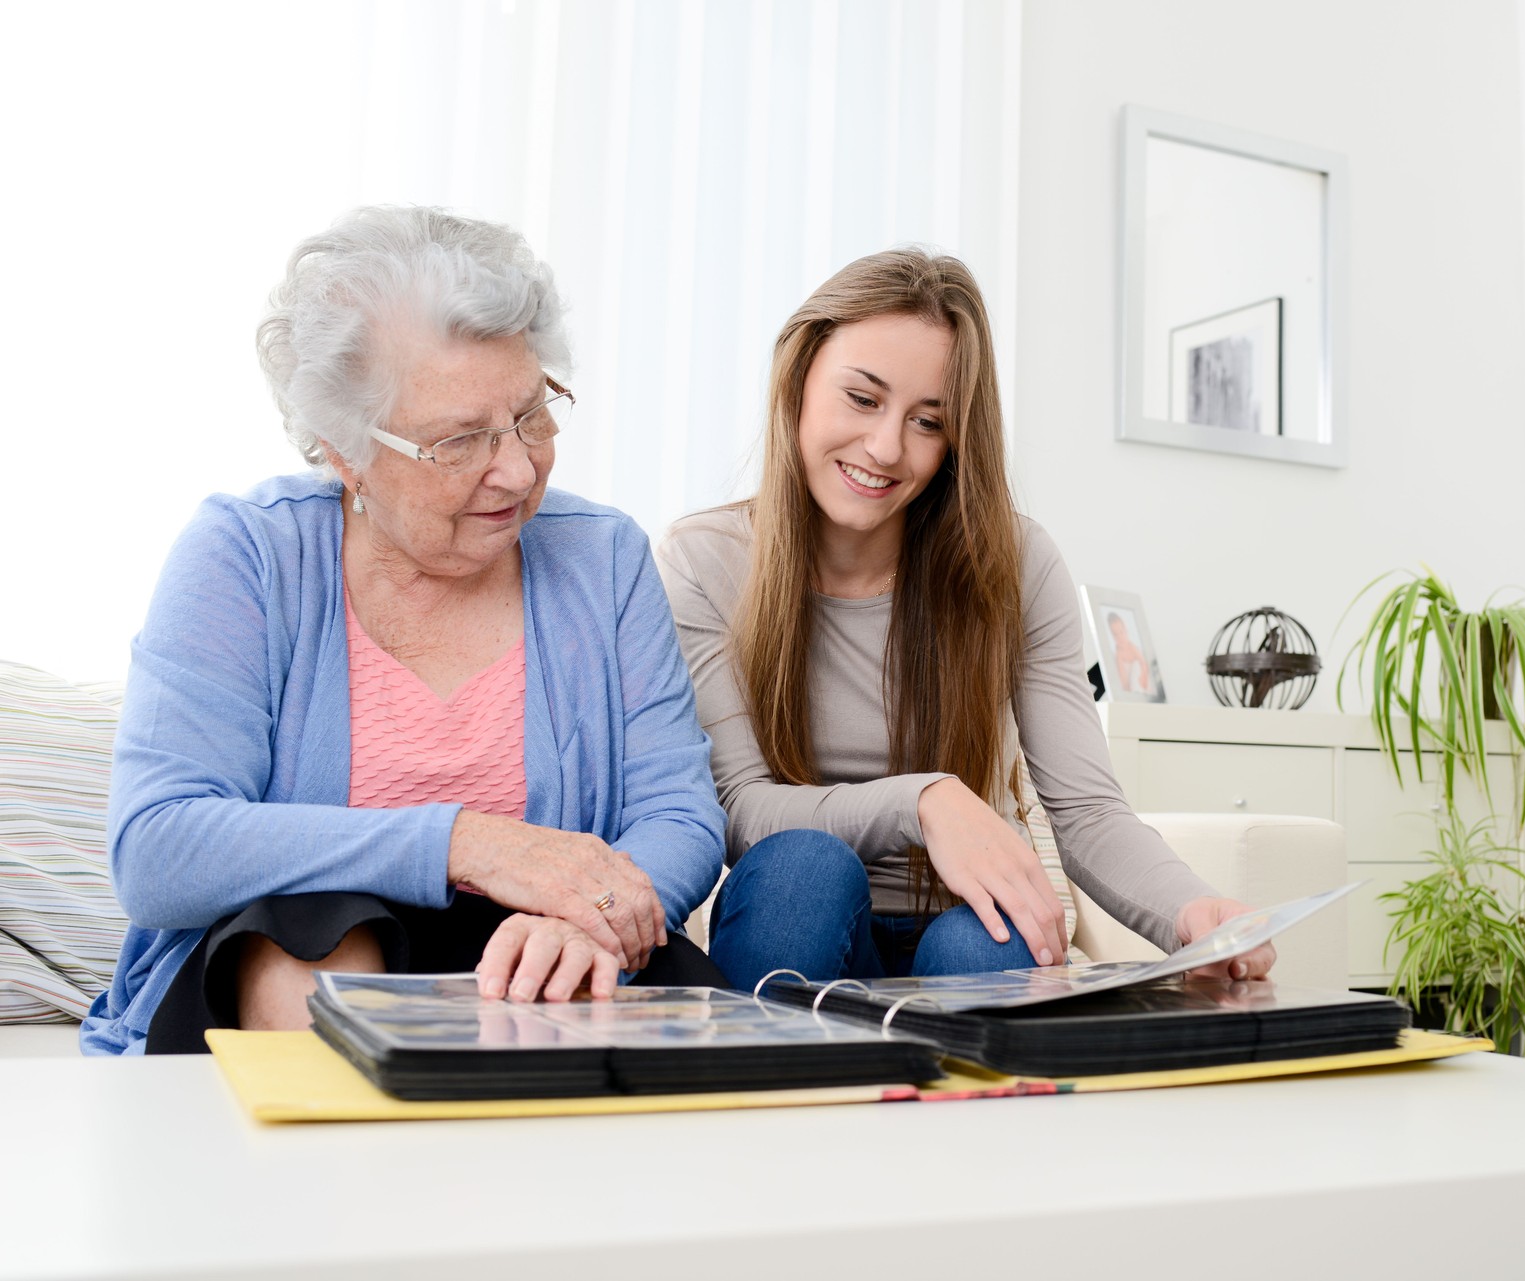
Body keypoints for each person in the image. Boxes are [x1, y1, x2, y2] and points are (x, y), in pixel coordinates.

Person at [81, 207, 728, 1056]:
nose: (519, 467)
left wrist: (599, 918)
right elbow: (159, 848)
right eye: (461, 440)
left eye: (533, 414)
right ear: (343, 450)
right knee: (305, 931)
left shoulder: (603, 557)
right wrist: (466, 842)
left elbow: (677, 809)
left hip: (539, 960)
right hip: (308, 967)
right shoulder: (247, 554)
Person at [657, 248, 1275, 988]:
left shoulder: (1015, 562)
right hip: (799, 917)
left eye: (928, 421)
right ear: (798, 382)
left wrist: (1192, 913)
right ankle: (767, 1097)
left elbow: (1084, 810)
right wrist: (925, 802)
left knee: (995, 935)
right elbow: (739, 811)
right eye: (862, 399)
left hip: (964, 924)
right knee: (801, 871)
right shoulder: (705, 561)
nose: (887, 448)